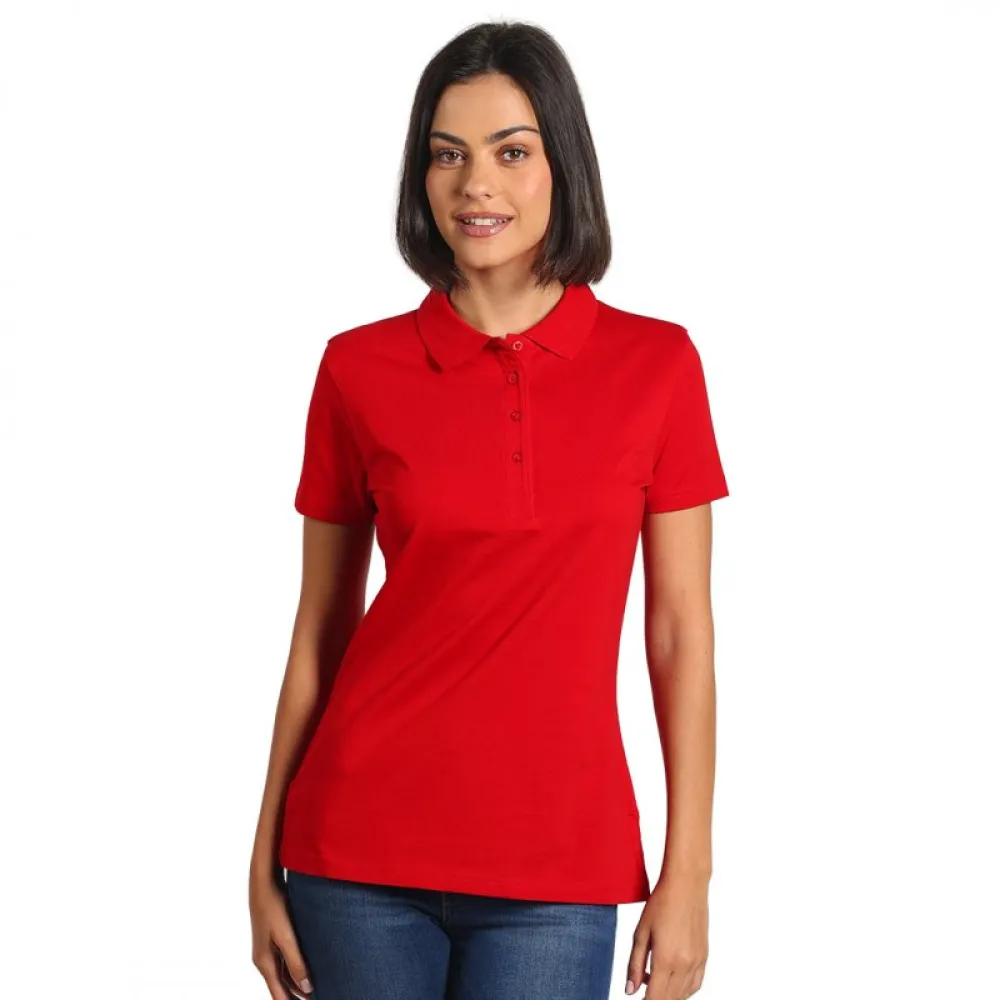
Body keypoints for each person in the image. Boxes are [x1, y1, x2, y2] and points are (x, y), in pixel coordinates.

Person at [249, 19, 729, 1000]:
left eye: (511, 152)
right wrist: (262, 860)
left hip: (558, 866)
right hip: (356, 853)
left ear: (563, 165)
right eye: (447, 155)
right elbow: (320, 630)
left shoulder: (658, 365)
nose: (476, 185)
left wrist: (688, 873)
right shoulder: (357, 368)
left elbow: (680, 632)